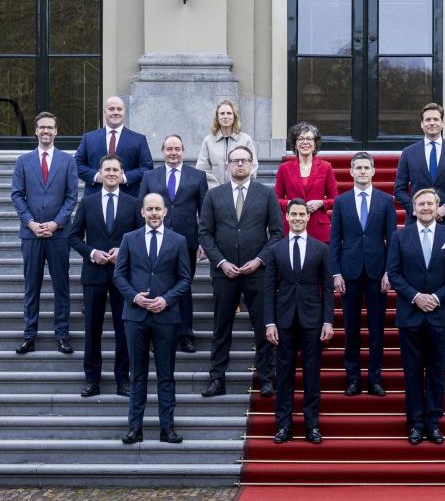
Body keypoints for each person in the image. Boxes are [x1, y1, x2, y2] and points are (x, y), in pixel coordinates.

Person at [199, 145, 284, 398]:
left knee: (263, 326)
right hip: (224, 273)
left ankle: (267, 378)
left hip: (257, 272)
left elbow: (277, 233)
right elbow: (204, 233)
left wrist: (260, 260)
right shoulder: (214, 195)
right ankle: (217, 379)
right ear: (227, 165)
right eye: (234, 161)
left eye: (244, 161)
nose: (239, 165)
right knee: (221, 327)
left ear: (252, 164)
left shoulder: (266, 194)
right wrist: (221, 263)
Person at [386, 189, 445, 445]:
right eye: (421, 204)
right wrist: (416, 297)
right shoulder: (400, 236)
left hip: (442, 315)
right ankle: (415, 424)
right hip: (411, 314)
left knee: (436, 371)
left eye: (430, 204)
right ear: (414, 208)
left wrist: (437, 298)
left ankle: (433, 422)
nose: (426, 208)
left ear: (437, 206)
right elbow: (394, 273)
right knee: (411, 371)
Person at [114, 193, 192, 445]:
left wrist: (166, 300)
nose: (154, 213)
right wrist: (134, 297)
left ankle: (166, 428)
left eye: (158, 209)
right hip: (135, 316)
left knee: (166, 374)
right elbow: (119, 275)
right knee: (137, 373)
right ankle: (134, 427)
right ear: (142, 212)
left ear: (165, 211)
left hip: (166, 316)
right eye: (150, 209)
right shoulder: (129, 238)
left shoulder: (178, 241)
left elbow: (184, 279)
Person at [68, 154, 141, 397]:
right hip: (94, 274)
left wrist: (125, 249)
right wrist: (92, 253)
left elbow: (141, 237)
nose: (111, 173)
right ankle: (92, 379)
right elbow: (74, 236)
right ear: (100, 173)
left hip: (124, 277)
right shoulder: (87, 202)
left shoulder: (133, 203)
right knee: (92, 329)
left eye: (115, 170)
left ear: (122, 174)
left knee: (124, 329)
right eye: (107, 169)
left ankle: (123, 379)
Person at [265, 199, 335, 444]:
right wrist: (269, 322)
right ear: (287, 217)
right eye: (292, 214)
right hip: (283, 321)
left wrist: (328, 321)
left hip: (313, 321)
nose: (296, 218)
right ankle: (283, 425)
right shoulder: (275, 249)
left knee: (312, 375)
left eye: (301, 214)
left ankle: (312, 424)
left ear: (307, 217)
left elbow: (327, 287)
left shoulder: (321, 249)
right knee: (283, 375)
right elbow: (269, 288)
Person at [330, 152, 397, 397]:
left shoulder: (385, 200)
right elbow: (335, 240)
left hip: (378, 273)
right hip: (349, 273)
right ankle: (353, 378)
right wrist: (336, 272)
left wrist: (390, 271)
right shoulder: (341, 201)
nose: (362, 171)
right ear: (350, 171)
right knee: (351, 328)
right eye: (357, 168)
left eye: (366, 167)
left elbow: (393, 239)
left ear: (373, 171)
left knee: (377, 329)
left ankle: (375, 377)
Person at [11, 112, 78, 355]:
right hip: (31, 235)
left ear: (56, 131)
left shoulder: (68, 161)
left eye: (50, 127)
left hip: (58, 235)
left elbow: (72, 197)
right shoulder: (23, 161)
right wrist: (30, 222)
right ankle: (30, 335)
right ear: (36, 131)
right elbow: (17, 195)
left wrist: (56, 223)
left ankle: (62, 335)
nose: (46, 131)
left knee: (61, 287)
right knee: (32, 286)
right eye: (42, 128)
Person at [139, 134, 209, 354]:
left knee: (184, 287)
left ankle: (185, 335)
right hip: (155, 241)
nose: (173, 152)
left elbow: (204, 213)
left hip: (186, 242)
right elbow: (140, 209)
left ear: (183, 150)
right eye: (169, 149)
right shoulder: (150, 176)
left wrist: (203, 241)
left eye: (177, 148)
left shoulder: (197, 176)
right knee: (156, 286)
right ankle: (154, 335)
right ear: (162, 152)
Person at [394, 103, 445, 227]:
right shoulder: (408, 153)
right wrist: (416, 209)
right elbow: (399, 190)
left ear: (443, 123)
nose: (432, 123)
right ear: (421, 124)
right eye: (428, 120)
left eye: (436, 119)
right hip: (416, 221)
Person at [74, 96, 153, 198]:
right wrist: (97, 176)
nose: (115, 112)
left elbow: (147, 168)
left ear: (124, 112)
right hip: (94, 199)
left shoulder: (138, 139)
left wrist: (124, 177)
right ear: (104, 111)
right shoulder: (88, 138)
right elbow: (76, 164)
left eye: (119, 109)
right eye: (111, 109)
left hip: (128, 198)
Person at [275, 122, 338, 243]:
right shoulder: (284, 168)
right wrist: (289, 203)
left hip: (318, 228)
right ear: (295, 144)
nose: (305, 142)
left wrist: (321, 203)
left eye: (309, 138)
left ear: (315, 144)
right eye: (300, 139)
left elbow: (335, 200)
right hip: (292, 226)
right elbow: (276, 200)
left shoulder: (326, 167)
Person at [196, 100, 257, 188]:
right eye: (222, 113)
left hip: (239, 191)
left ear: (234, 116)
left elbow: (253, 167)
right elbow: (202, 169)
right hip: (215, 192)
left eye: (229, 113)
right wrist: (217, 188)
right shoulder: (208, 141)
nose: (225, 116)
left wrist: (236, 185)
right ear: (217, 117)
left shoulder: (245, 139)